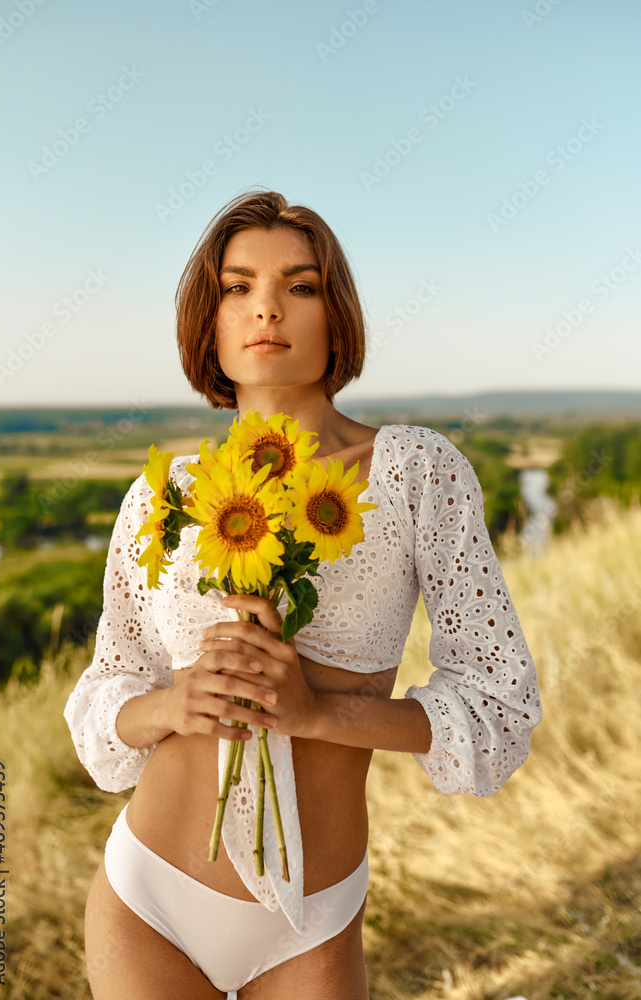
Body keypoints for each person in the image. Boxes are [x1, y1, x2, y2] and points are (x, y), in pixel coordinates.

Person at [63, 189, 542, 999]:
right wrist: (175, 705)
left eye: (301, 285)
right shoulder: (165, 496)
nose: (267, 310)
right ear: (208, 323)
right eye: (237, 287)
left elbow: (497, 708)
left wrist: (318, 713)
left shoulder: (414, 472)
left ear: (335, 313)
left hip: (312, 919)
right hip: (149, 898)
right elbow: (106, 696)